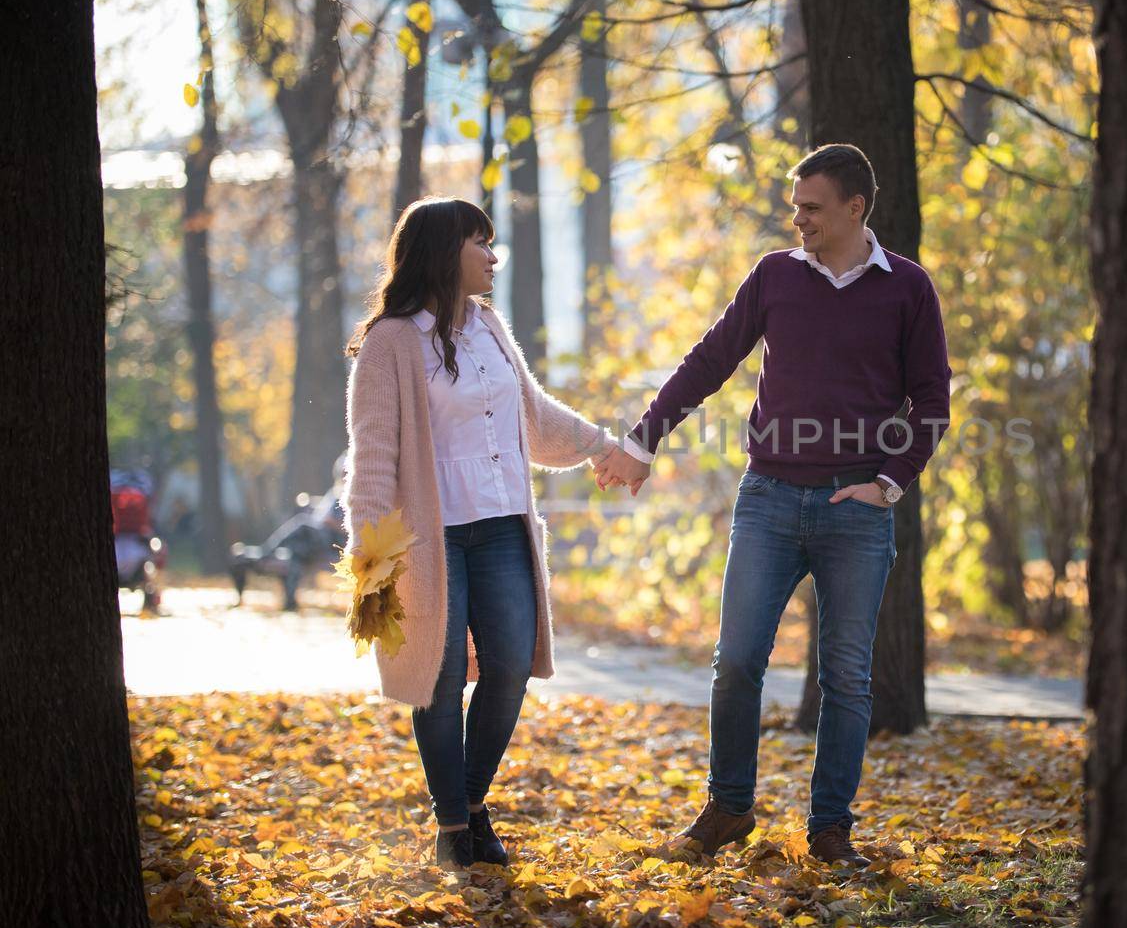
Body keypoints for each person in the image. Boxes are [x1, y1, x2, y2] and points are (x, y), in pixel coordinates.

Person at [595, 143, 952, 868]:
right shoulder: (775, 277)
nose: (799, 220)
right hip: (768, 500)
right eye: (795, 207)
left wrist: (888, 483)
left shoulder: (908, 289)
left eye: (812, 208)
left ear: (856, 209)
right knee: (737, 664)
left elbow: (933, 399)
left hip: (857, 509)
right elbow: (710, 359)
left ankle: (831, 831)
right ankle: (728, 809)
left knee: (847, 678)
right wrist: (644, 439)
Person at [344, 197, 624, 869]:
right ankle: (452, 829)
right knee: (438, 683)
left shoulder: (490, 327)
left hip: (501, 529)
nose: (494, 256)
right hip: (432, 541)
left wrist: (599, 445)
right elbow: (374, 454)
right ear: (447, 252)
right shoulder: (391, 342)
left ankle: (468, 804)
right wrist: (370, 562)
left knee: (509, 666)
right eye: (481, 243)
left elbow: (531, 413)